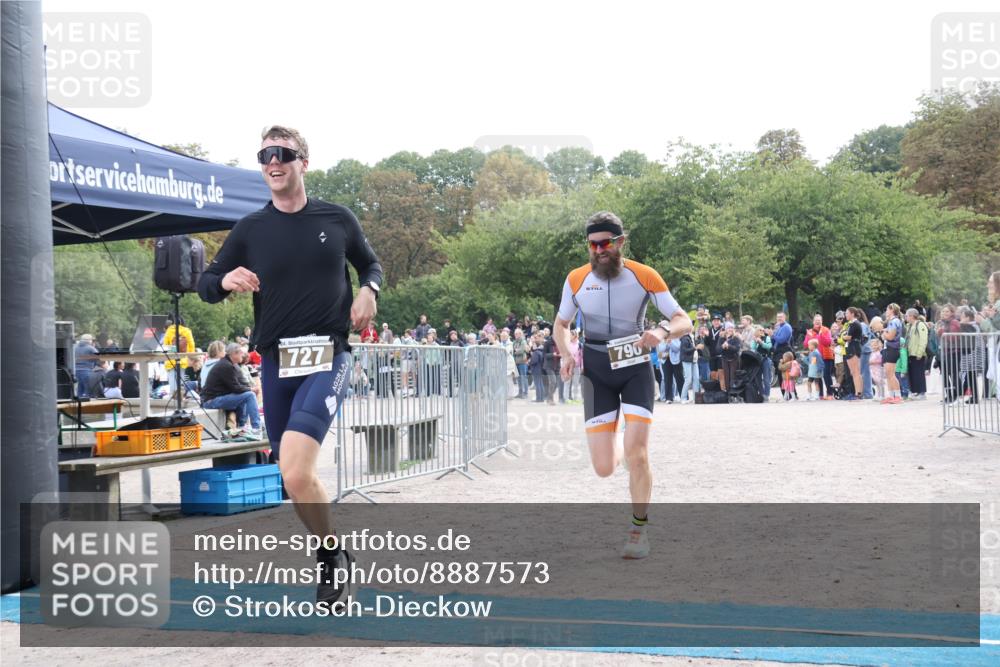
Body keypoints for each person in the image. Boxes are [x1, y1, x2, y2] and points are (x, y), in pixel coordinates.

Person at [198, 124, 382, 607]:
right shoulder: (251, 229)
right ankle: (332, 553)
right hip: (277, 362)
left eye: (282, 153)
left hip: (327, 353)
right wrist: (224, 280)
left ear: (303, 161)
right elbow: (206, 281)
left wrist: (368, 290)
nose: (272, 162)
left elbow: (371, 264)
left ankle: (328, 560)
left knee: (298, 472)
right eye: (264, 156)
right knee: (291, 477)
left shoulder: (337, 219)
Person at [553, 211, 691, 559]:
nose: (600, 250)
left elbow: (683, 319)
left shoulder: (644, 275)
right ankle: (614, 435)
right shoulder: (576, 279)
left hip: (635, 369)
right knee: (603, 468)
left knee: (638, 455)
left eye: (606, 243)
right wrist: (567, 351)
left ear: (620, 242)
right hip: (597, 371)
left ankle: (638, 530)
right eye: (593, 244)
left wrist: (660, 332)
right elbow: (561, 325)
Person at [202, 343, 262, 435]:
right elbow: (236, 388)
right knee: (249, 395)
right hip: (211, 401)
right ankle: (256, 428)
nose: (244, 355)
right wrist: (251, 389)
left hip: (214, 398)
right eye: (241, 353)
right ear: (234, 354)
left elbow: (238, 386)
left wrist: (249, 388)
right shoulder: (226, 366)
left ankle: (242, 427)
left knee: (245, 395)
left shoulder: (229, 364)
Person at [163, 316, 196, 399]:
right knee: (181, 384)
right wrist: (191, 357)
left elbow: (165, 346)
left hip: (170, 361)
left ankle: (173, 401)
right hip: (183, 361)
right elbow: (192, 345)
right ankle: (180, 401)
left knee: (172, 386)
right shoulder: (187, 331)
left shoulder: (169, 331)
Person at [803, 315, 834, 400]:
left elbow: (827, 342)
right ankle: (820, 394)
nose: (817, 322)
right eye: (816, 320)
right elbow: (806, 344)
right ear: (813, 322)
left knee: (826, 375)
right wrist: (809, 336)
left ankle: (830, 394)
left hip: (826, 356)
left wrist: (820, 335)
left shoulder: (826, 330)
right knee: (816, 375)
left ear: (822, 321)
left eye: (819, 320)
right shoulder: (810, 331)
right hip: (814, 357)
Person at [881, 303, 905, 404]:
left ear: (892, 310)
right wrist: (885, 332)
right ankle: (891, 396)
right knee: (888, 373)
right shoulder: (891, 321)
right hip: (888, 348)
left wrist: (884, 333)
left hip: (892, 349)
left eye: (887, 309)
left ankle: (898, 396)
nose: (886, 311)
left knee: (891, 374)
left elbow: (890, 336)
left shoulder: (895, 321)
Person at [905, 308, 929, 399]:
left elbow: (923, 340)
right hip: (911, 353)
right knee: (913, 373)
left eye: (907, 316)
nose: (906, 317)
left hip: (918, 353)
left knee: (919, 373)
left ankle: (922, 392)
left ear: (911, 316)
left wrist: (920, 352)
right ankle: (916, 391)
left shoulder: (920, 325)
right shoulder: (910, 326)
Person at [842, 307, 864, 400]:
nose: (845, 315)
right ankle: (859, 392)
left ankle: (858, 393)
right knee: (853, 372)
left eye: (847, 313)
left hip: (854, 348)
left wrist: (843, 336)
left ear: (852, 314)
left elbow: (848, 337)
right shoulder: (851, 324)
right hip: (850, 347)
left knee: (855, 372)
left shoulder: (855, 324)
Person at [73, 334, 99, 398]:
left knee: (80, 388)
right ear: (89, 340)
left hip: (76, 371)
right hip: (87, 370)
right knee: (87, 389)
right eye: (91, 340)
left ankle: (80, 403)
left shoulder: (75, 347)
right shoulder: (91, 348)